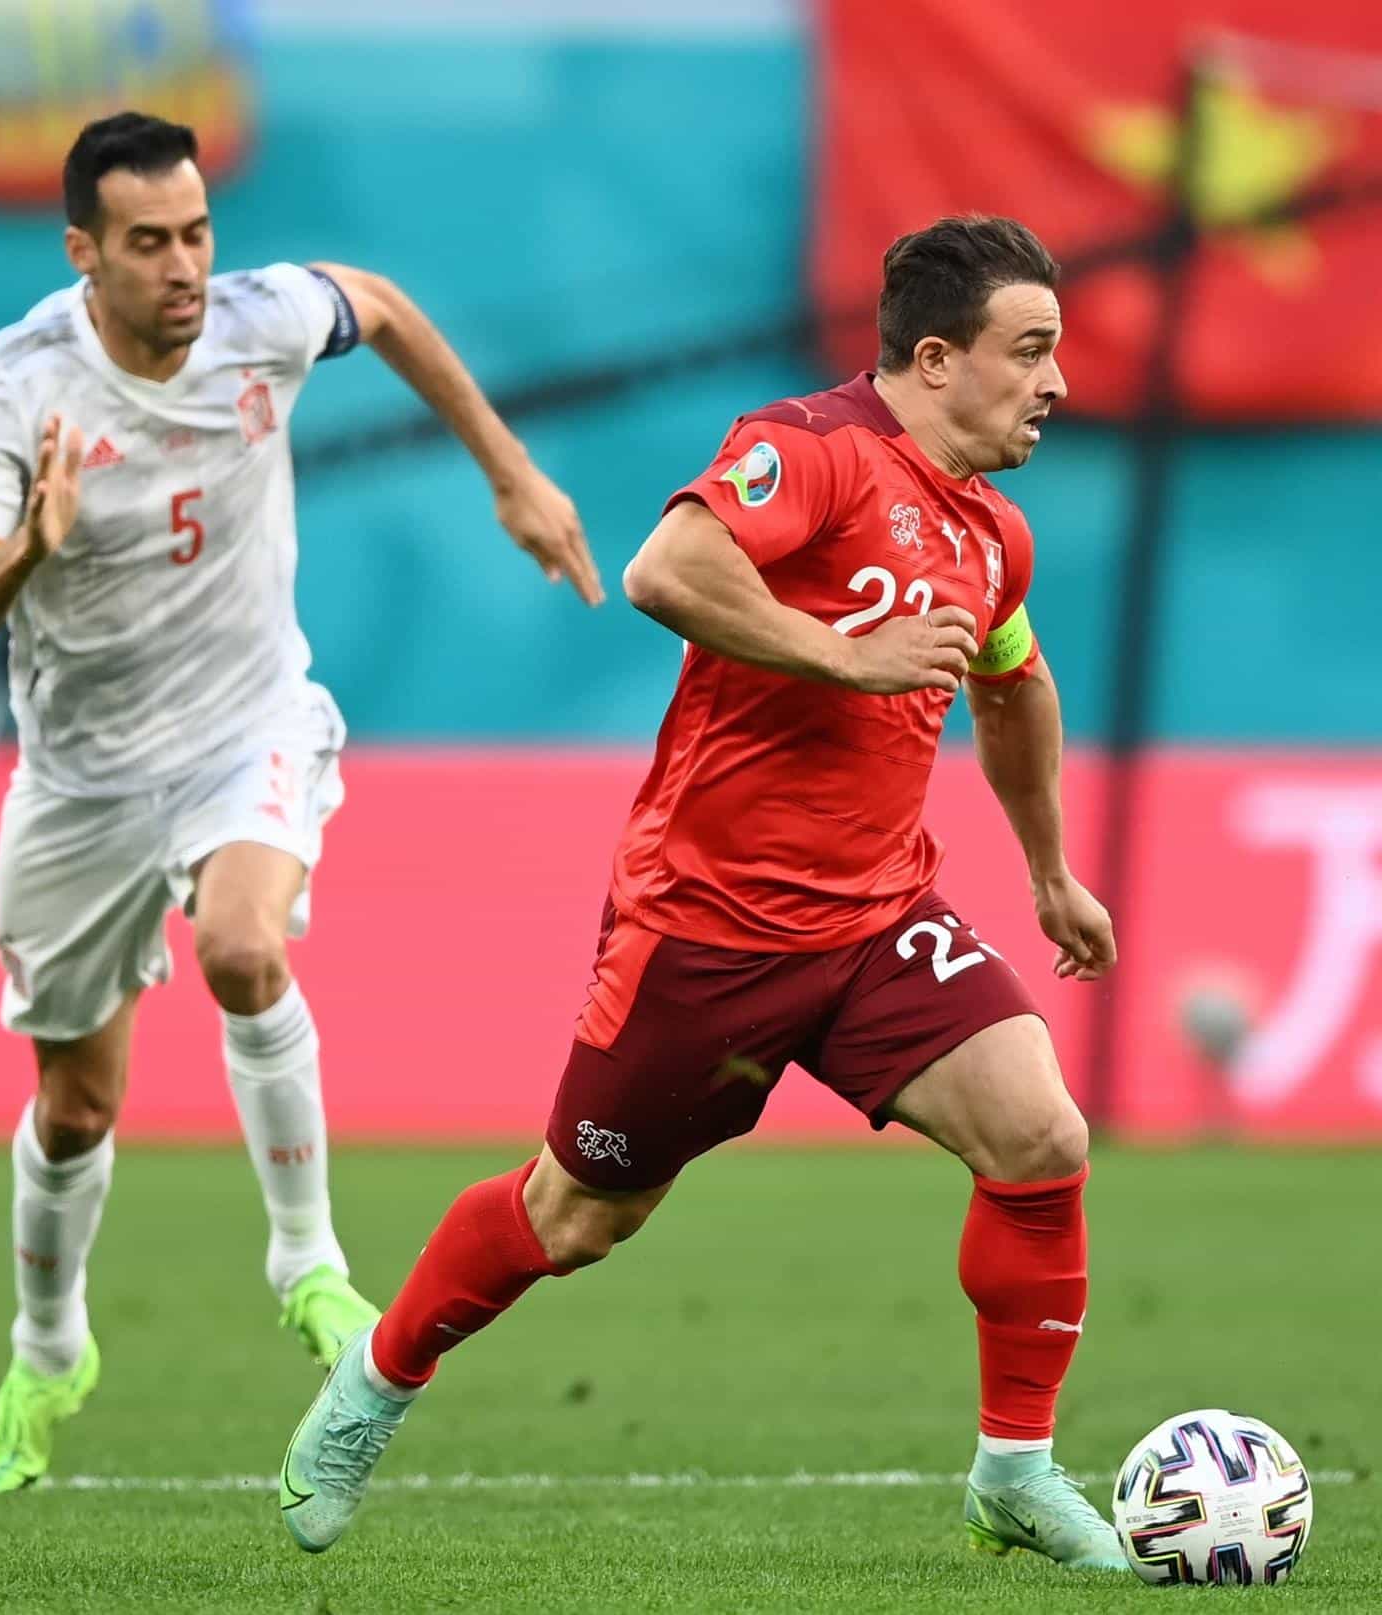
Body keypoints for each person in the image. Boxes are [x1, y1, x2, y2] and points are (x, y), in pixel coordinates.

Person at [279, 214, 1129, 1573]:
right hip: (709, 928)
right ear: (933, 356)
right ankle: (374, 1379)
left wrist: (1048, 871)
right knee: (577, 1215)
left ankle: (1014, 1470)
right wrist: (844, 657)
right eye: (1029, 350)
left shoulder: (992, 536)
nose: (1057, 381)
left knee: (1040, 1133)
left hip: (877, 921)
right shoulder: (811, 447)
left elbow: (1014, 688)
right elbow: (666, 568)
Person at [0, 111, 601, 1495]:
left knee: (243, 944)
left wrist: (512, 473)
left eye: (197, 233)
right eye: (150, 242)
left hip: (246, 723)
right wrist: (26, 553)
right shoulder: (10, 389)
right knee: (75, 1105)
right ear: (84, 252)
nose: (184, 267)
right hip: (82, 778)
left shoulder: (260, 320)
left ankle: (310, 1267)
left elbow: (387, 307)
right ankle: (49, 1352)